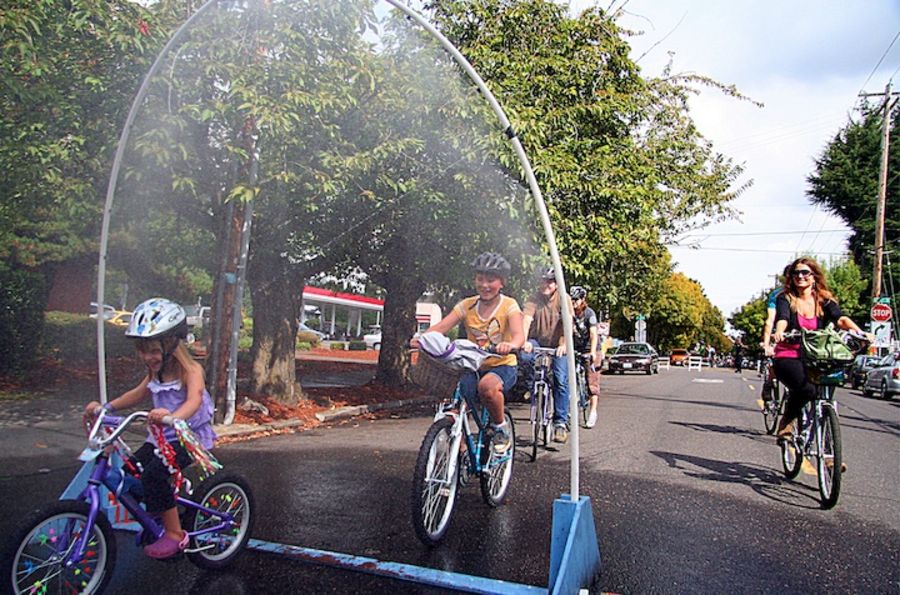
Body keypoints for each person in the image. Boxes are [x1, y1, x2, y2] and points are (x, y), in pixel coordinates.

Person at [85, 298, 216, 560]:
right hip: (159, 438)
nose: (148, 357)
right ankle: (166, 508)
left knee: (154, 476)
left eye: (154, 350)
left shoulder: (191, 370)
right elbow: (137, 394)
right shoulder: (155, 373)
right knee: (130, 476)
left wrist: (172, 416)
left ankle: (176, 535)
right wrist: (106, 408)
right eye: (143, 351)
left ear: (171, 345)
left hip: (187, 437)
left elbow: (194, 400)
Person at [410, 253, 525, 454]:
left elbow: (519, 335)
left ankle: (500, 427)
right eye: (480, 278)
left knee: (487, 388)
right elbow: (438, 328)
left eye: (491, 280)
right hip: (473, 364)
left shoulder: (509, 305)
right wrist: (421, 339)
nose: (485, 285)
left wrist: (511, 344)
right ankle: (459, 450)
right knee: (455, 401)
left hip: (502, 364)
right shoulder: (466, 305)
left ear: (501, 283)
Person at [771, 257, 868, 441]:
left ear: (814, 276)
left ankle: (830, 457)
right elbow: (782, 318)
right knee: (807, 390)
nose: (800, 276)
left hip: (817, 355)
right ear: (790, 277)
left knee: (826, 398)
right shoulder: (785, 298)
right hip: (789, 354)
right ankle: (787, 422)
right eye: (795, 273)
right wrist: (780, 332)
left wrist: (860, 333)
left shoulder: (824, 299)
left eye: (805, 272)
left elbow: (840, 319)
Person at [521, 267, 573, 443]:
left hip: (559, 343)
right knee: (525, 357)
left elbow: (567, 323)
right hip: (537, 340)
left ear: (556, 284)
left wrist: (564, 344)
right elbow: (526, 320)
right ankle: (531, 387)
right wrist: (524, 341)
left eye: (550, 281)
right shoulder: (533, 298)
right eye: (543, 281)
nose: (546, 284)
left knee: (560, 378)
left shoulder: (564, 299)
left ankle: (560, 423)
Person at [570, 286, 600, 428]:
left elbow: (594, 334)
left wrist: (593, 352)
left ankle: (593, 412)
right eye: (571, 299)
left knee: (591, 383)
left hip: (589, 349)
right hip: (575, 349)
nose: (573, 302)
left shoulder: (589, 314)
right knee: (568, 379)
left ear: (583, 300)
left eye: (576, 299)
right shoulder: (569, 312)